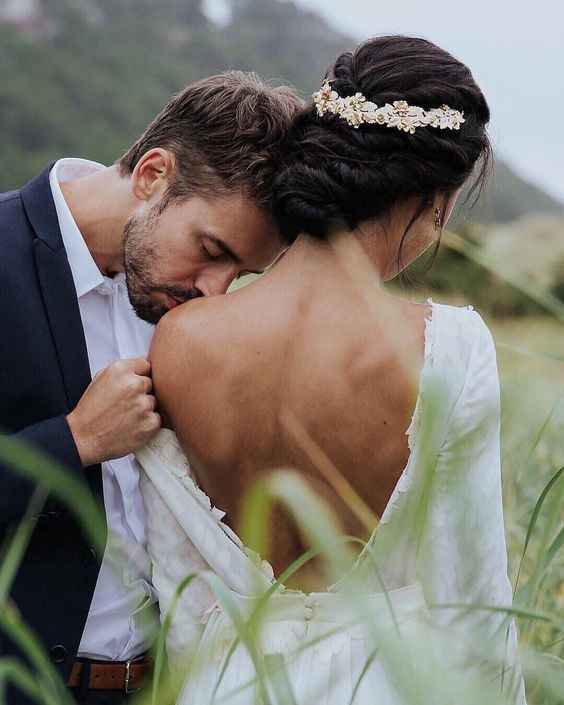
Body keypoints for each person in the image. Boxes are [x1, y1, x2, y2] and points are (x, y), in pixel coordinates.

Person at [136, 36, 527, 704]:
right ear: (431, 199)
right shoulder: (449, 349)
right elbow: (476, 601)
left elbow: (177, 583)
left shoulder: (178, 339)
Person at [0, 72, 301, 704]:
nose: (214, 291)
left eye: (241, 273)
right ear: (153, 175)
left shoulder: (183, 311)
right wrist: (74, 440)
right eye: (211, 249)